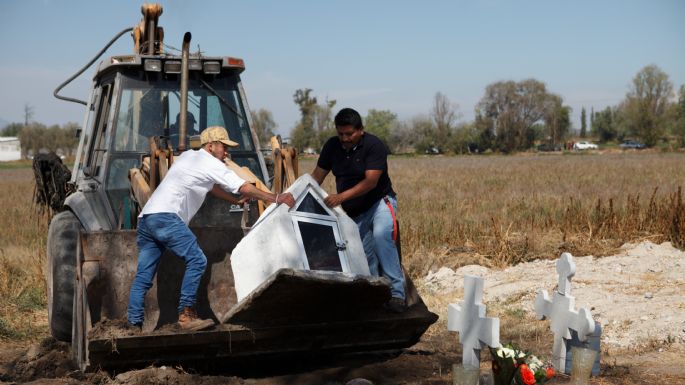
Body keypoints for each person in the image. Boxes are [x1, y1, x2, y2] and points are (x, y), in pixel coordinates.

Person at [128, 126, 295, 331]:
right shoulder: (210, 163)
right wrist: (275, 198)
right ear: (210, 146)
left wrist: (235, 201)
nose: (226, 152)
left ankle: (132, 325)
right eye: (223, 147)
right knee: (197, 260)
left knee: (144, 276)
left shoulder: (189, 156)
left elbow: (211, 186)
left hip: (148, 218)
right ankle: (186, 315)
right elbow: (243, 186)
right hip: (167, 217)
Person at [311, 108, 406, 313]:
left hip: (380, 202)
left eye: (349, 134)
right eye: (340, 134)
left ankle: (398, 294)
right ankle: (376, 297)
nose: (344, 138)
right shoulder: (332, 146)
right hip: (355, 212)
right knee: (364, 256)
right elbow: (316, 177)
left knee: (382, 236)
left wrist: (340, 198)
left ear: (360, 130)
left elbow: (371, 182)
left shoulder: (374, 145)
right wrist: (301, 194)